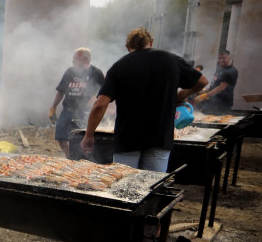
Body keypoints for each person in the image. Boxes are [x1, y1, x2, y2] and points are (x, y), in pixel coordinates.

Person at [80, 27, 207, 172]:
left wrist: (88, 135)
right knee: (152, 185)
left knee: (124, 185)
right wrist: (182, 95)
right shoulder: (171, 60)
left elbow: (100, 105)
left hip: (128, 139)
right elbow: (202, 81)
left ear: (128, 47)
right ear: (151, 43)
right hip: (160, 137)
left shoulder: (119, 67)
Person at [48, 47, 105, 158]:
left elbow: (105, 91)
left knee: (79, 139)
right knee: (60, 136)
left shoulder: (96, 73)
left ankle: (80, 160)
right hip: (68, 110)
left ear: (85, 60)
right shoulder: (69, 72)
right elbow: (60, 91)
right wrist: (53, 108)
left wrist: (96, 96)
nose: (73, 61)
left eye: (75, 59)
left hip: (85, 112)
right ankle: (70, 157)